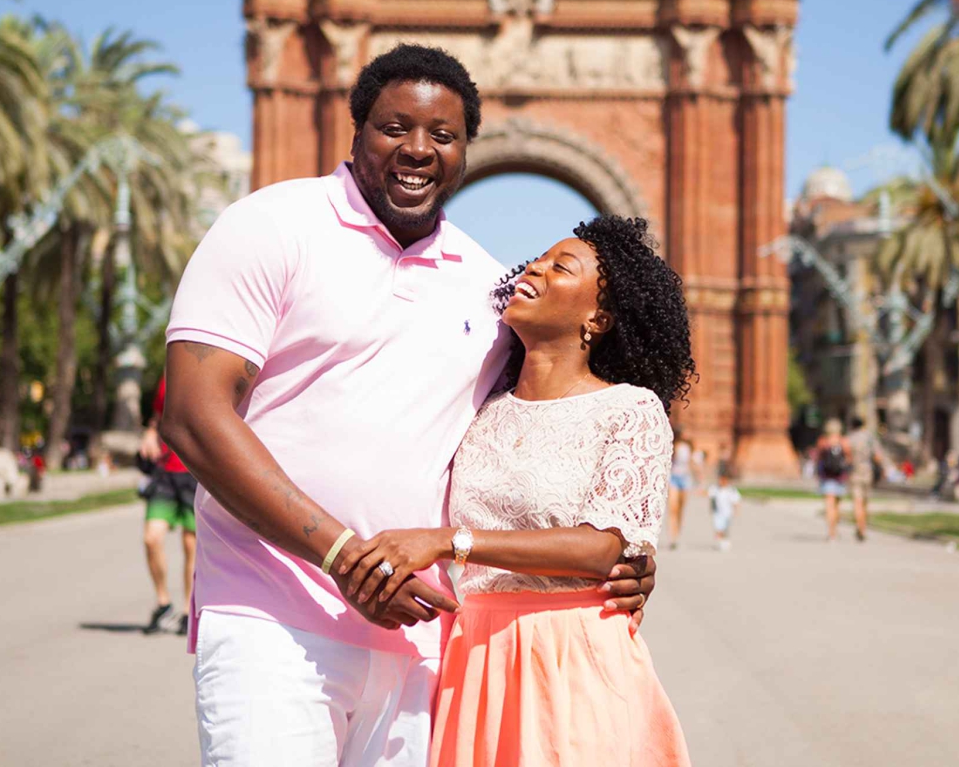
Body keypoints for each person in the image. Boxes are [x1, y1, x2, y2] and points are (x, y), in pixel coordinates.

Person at [159, 45, 654, 767]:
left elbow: (548, 430)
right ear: (357, 129)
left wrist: (621, 556)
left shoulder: (490, 289)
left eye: (443, 135)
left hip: (421, 640)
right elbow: (192, 417)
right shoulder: (271, 225)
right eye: (395, 127)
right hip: (270, 616)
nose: (418, 149)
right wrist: (342, 555)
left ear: (465, 150)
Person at [334, 216, 693, 767]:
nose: (534, 269)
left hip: (571, 656)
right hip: (475, 656)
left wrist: (448, 541)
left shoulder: (630, 409)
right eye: (537, 259)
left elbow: (604, 547)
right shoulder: (477, 411)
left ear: (598, 318)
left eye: (560, 266)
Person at [138, 375, 196, 636]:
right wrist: (151, 432)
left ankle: (188, 611)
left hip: (195, 472)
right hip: (165, 470)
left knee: (190, 545)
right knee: (151, 538)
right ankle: (164, 605)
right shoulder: (168, 372)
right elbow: (158, 415)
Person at [845, 416, 886, 543]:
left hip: (854, 472)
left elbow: (846, 457)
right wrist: (881, 469)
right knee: (865, 502)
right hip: (868, 471)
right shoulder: (870, 438)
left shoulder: (849, 438)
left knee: (857, 501)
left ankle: (859, 527)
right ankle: (863, 528)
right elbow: (878, 457)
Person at [817, 419, 849, 541]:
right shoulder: (843, 441)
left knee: (829, 505)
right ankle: (835, 530)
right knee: (837, 505)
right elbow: (848, 458)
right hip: (840, 477)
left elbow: (819, 458)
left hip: (827, 477)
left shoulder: (823, 441)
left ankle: (831, 532)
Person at [666, 435, 698, 548]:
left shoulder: (689, 447)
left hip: (685, 479)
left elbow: (692, 463)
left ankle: (677, 532)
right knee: (673, 508)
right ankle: (673, 536)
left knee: (680, 508)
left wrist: (698, 478)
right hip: (673, 478)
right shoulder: (673, 445)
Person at [708, 462, 742, 551]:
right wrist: (711, 508)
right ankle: (721, 542)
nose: (722, 482)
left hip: (727, 513)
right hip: (717, 513)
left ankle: (724, 541)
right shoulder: (715, 488)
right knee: (718, 528)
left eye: (724, 480)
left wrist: (736, 510)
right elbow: (711, 498)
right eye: (720, 479)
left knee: (725, 528)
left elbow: (736, 501)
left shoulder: (731, 490)